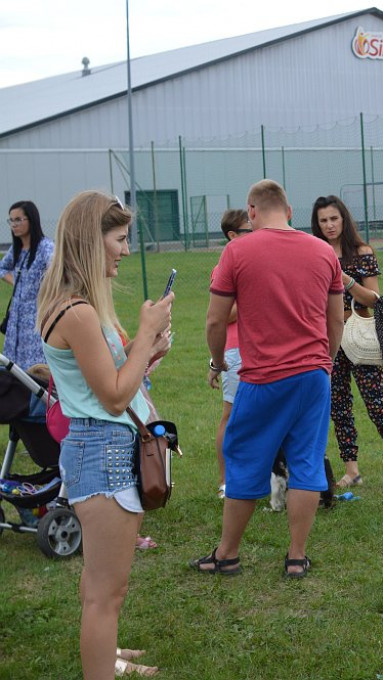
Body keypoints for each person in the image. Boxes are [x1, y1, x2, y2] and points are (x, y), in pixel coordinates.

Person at [37, 191, 172, 679]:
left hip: (98, 446)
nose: (126, 249)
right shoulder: (78, 312)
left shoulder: (77, 306)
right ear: (92, 243)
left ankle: (107, 654)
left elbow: (106, 375)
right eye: (119, 239)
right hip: (104, 452)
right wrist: (145, 327)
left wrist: (145, 347)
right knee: (105, 593)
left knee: (101, 584)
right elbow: (115, 397)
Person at [193, 179, 344, 579]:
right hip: (313, 375)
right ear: (290, 210)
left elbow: (214, 319)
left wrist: (215, 359)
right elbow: (335, 318)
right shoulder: (323, 251)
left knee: (244, 461)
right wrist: (323, 363)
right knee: (307, 463)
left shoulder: (237, 250)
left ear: (252, 211)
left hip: (262, 377)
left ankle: (227, 554)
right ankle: (297, 557)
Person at [311, 195, 383, 496]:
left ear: (343, 219)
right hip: (329, 338)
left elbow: (375, 299)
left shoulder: (362, 252)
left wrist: (344, 279)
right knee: (338, 407)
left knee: (378, 404)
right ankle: (351, 471)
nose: (329, 225)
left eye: (333, 218)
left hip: (361, 337)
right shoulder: (315, 252)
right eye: (323, 221)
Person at [207, 209, 252, 498]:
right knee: (231, 415)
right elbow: (222, 317)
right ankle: (225, 483)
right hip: (236, 351)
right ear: (232, 236)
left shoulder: (253, 260)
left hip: (260, 348)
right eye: (248, 230)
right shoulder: (226, 265)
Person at [2, 200, 55, 367]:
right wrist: (18, 283)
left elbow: (57, 272)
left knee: (34, 370)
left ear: (31, 220)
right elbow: (2, 268)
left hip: (35, 320)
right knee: (13, 369)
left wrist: (42, 287)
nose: (14, 224)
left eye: (18, 220)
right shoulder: (16, 249)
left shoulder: (45, 247)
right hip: (15, 321)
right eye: (11, 220)